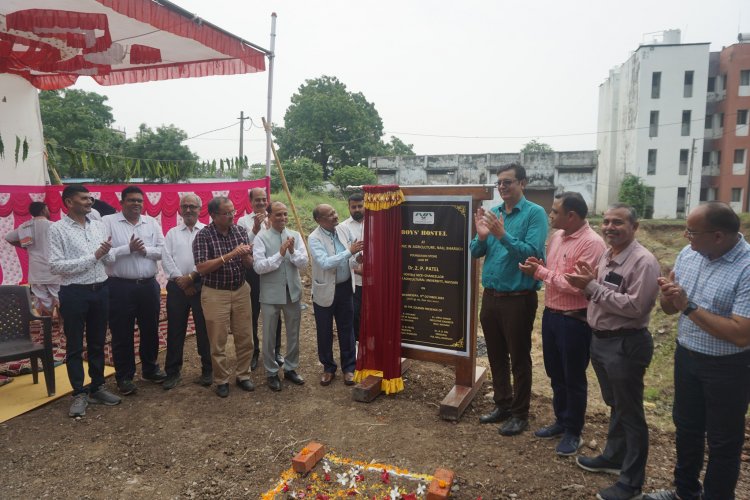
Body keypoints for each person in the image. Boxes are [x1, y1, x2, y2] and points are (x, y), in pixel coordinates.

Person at [644, 202, 750, 500]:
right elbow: (668, 309)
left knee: (723, 441)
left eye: (691, 231)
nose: (685, 236)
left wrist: (687, 306)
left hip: (728, 367)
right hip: (687, 356)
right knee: (687, 428)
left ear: (718, 236)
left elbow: (742, 334)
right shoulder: (690, 254)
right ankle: (685, 491)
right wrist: (669, 297)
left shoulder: (747, 268)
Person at [565, 203, 660, 500]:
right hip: (602, 340)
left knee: (631, 413)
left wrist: (591, 288)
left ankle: (631, 483)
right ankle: (614, 457)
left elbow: (635, 307)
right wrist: (587, 284)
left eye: (617, 222)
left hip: (626, 344)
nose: (609, 227)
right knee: (617, 404)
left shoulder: (644, 262)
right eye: (605, 221)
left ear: (635, 227)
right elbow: (604, 292)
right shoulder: (608, 254)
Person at [519, 192, 606, 455]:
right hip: (552, 315)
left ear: (571, 216)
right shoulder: (557, 237)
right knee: (555, 372)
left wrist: (540, 272)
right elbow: (555, 271)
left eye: (555, 211)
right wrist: (540, 265)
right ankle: (561, 420)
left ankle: (574, 431)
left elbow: (576, 286)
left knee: (573, 376)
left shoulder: (592, 244)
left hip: (575, 320)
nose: (551, 215)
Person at [470, 163, 548, 436]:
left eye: (508, 182)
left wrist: (502, 235)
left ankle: (520, 413)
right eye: (499, 183)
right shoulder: (493, 214)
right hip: (490, 297)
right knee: (495, 354)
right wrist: (481, 238)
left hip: (518, 298)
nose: (502, 187)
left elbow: (531, 254)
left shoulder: (535, 214)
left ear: (523, 183)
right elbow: (475, 251)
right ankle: (502, 404)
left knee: (519, 356)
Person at [48, 184, 121, 417]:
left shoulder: (98, 226)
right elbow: (56, 265)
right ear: (69, 202)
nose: (90, 201)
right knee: (75, 345)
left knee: (98, 341)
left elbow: (106, 260)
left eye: (90, 198)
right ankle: (79, 392)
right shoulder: (57, 229)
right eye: (84, 198)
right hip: (74, 293)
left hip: (101, 290)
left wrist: (108, 252)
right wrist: (94, 256)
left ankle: (97, 387)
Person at [102, 186, 166, 395]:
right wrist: (126, 249)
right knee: (122, 333)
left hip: (148, 286)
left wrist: (144, 250)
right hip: (119, 287)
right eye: (131, 200)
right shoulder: (108, 222)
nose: (136, 204)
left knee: (150, 329)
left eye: (139, 200)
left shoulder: (151, 223)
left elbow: (162, 251)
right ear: (122, 202)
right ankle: (125, 377)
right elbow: (104, 255)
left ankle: (150, 368)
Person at [193, 196, 255, 398]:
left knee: (245, 337)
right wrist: (231, 254)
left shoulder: (240, 231)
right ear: (213, 215)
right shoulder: (203, 236)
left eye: (233, 212)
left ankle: (243, 375)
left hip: (240, 289)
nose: (231, 216)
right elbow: (201, 268)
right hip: (214, 293)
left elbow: (248, 264)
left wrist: (246, 257)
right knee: (218, 340)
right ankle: (221, 380)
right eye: (227, 213)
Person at [252, 201, 308, 391]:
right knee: (269, 335)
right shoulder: (261, 237)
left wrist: (291, 251)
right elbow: (258, 267)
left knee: (293, 332)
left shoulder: (295, 235)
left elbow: (304, 263)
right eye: (278, 214)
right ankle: (271, 372)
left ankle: (291, 368)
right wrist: (280, 253)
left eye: (285, 214)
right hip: (270, 293)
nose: (283, 218)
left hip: (292, 292)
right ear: (269, 216)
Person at [160, 194, 212, 390]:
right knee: (175, 330)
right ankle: (172, 373)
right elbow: (166, 259)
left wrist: (192, 278)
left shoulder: (207, 231)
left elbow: (209, 259)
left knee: (204, 330)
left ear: (200, 209)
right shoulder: (172, 233)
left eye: (192, 206)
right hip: (177, 287)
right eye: (185, 206)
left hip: (202, 286)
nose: (188, 210)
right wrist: (182, 281)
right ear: (180, 209)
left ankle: (208, 370)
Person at [309, 203, 364, 386]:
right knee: (324, 331)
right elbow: (325, 263)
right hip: (325, 289)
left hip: (345, 287)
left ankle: (349, 367)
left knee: (347, 329)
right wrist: (350, 252)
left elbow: (353, 254)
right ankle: (328, 368)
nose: (335, 215)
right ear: (319, 220)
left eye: (334, 211)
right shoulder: (314, 238)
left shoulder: (343, 229)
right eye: (330, 214)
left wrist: (358, 257)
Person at [237, 187, 282, 371]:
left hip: (273, 271)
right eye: (258, 200)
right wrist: (255, 229)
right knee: (253, 314)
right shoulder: (242, 220)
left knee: (275, 313)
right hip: (253, 272)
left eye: (264, 200)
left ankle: (275, 351)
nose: (262, 203)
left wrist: (271, 226)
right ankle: (254, 352)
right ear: (251, 201)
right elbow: (243, 246)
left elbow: (280, 240)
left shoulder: (275, 217)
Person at [5, 201, 61, 316]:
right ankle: (61, 324)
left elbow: (9, 237)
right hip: (55, 269)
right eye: (47, 209)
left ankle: (46, 325)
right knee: (59, 296)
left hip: (36, 271)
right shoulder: (55, 226)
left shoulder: (25, 227)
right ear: (43, 210)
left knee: (41, 299)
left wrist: (25, 246)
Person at [340, 192, 365, 342]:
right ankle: (357, 348)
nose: (357, 209)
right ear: (348, 208)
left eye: (360, 206)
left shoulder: (376, 223)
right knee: (354, 314)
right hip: (354, 280)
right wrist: (357, 269)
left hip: (374, 280)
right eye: (353, 207)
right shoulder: (342, 227)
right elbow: (341, 255)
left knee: (371, 314)